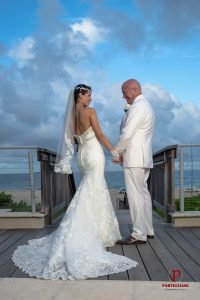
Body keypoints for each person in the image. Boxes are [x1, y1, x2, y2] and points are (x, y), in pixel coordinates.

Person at [12, 84, 138, 280]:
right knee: (94, 188)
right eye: (89, 95)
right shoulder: (90, 112)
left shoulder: (71, 115)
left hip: (82, 156)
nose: (91, 99)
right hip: (94, 153)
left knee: (89, 189)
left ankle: (93, 229)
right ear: (80, 95)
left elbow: (72, 140)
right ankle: (95, 231)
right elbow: (100, 134)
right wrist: (114, 152)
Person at [114, 79, 155, 245]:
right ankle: (148, 230)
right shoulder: (146, 105)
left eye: (124, 92)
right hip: (143, 157)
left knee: (135, 196)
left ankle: (138, 234)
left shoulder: (138, 107)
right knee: (143, 194)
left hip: (134, 158)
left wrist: (117, 152)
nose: (123, 96)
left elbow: (127, 133)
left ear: (134, 89)